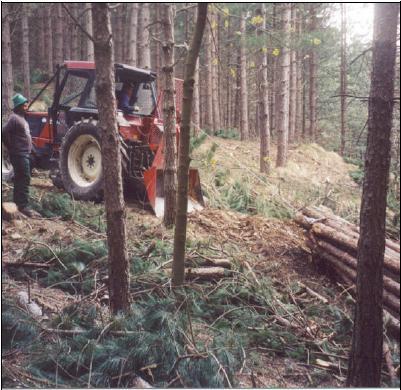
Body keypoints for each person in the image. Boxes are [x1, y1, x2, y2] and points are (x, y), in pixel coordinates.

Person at [2, 94, 34, 217]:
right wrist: (11, 147)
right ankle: (23, 206)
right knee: (25, 178)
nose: (26, 105)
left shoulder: (22, 119)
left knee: (20, 178)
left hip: (24, 154)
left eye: (26, 103)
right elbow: (4, 132)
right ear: (18, 106)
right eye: (24, 104)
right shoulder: (14, 118)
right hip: (19, 154)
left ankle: (18, 204)